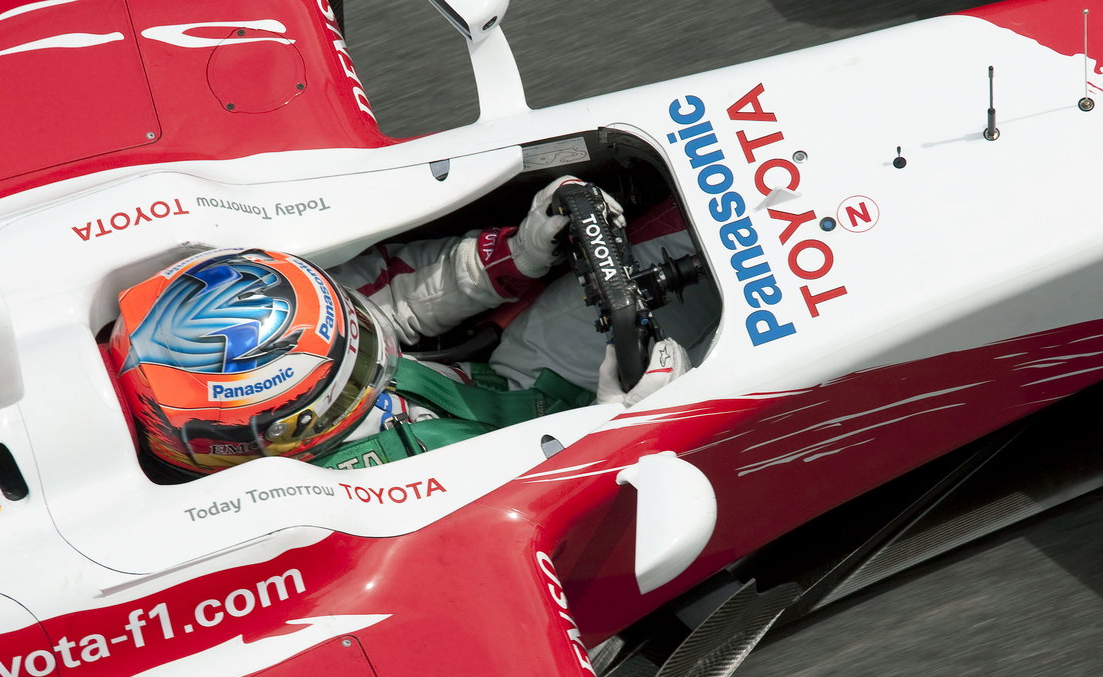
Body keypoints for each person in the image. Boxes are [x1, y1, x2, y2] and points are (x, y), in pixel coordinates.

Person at [105, 176, 703, 476]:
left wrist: (517, 251)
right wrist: (622, 427)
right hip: (568, 459)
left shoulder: (300, 338)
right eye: (359, 362)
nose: (376, 349)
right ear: (285, 431)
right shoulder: (333, 509)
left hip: (514, 383)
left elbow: (386, 302)